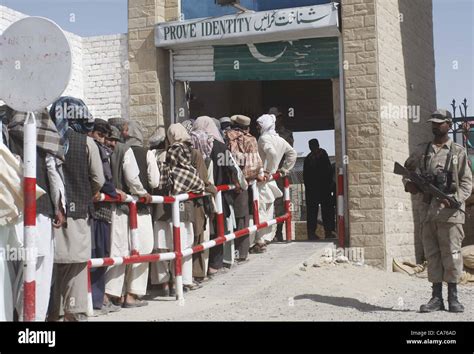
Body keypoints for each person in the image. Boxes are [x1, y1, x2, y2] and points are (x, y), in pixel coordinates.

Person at [403, 109, 472, 313]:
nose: (435, 125)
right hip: (427, 213)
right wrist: (409, 184)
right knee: (432, 255)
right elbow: (406, 170)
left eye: (440, 122)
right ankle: (436, 298)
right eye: (433, 122)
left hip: (450, 215)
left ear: (449, 125)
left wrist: (455, 200)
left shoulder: (458, 152)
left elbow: (467, 182)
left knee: (452, 254)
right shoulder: (421, 150)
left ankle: (453, 297)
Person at [48, 97, 105, 321]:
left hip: (51, 215)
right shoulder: (86, 142)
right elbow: (97, 177)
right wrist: (89, 192)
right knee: (77, 267)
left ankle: (54, 313)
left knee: (53, 266)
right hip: (78, 212)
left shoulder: (48, 139)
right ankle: (72, 312)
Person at [105, 121, 158, 308]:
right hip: (138, 208)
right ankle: (132, 294)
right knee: (142, 248)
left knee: (118, 250)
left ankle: (112, 294)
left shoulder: (106, 148)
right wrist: (144, 194)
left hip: (113, 207)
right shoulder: (142, 153)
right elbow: (152, 180)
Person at [193, 116, 235, 276]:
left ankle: (199, 267)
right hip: (217, 195)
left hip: (196, 196)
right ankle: (214, 264)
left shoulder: (191, 145)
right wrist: (236, 183)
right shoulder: (219, 146)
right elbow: (230, 167)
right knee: (218, 227)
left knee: (202, 230)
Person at [88, 119, 122, 315]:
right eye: (101, 135)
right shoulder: (97, 150)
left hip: (92, 209)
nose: (105, 141)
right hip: (99, 210)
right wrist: (115, 193)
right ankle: (96, 300)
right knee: (98, 253)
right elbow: (101, 178)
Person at [254, 114, 297, 252]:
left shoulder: (263, 139)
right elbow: (293, 154)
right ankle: (266, 239)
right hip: (272, 180)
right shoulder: (280, 140)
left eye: (259, 125)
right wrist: (284, 169)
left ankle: (260, 241)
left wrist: (267, 171)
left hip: (263, 180)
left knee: (260, 210)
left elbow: (271, 153)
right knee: (268, 210)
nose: (257, 128)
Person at [226, 114, 263, 263]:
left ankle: (228, 253)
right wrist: (244, 181)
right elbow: (253, 165)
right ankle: (241, 253)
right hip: (242, 185)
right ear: (247, 127)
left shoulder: (226, 137)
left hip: (226, 183)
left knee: (227, 216)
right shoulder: (250, 140)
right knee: (242, 217)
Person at [268, 107, 294, 241]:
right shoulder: (265, 134)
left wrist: (283, 169)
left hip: (279, 173)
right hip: (267, 173)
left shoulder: (286, 134)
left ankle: (279, 232)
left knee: (280, 202)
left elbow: (289, 153)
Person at [303, 139, 336, 240]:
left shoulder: (310, 157)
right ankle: (326, 232)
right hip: (321, 189)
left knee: (316, 212)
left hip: (317, 189)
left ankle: (316, 233)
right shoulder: (318, 155)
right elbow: (328, 170)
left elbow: (306, 176)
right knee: (324, 211)